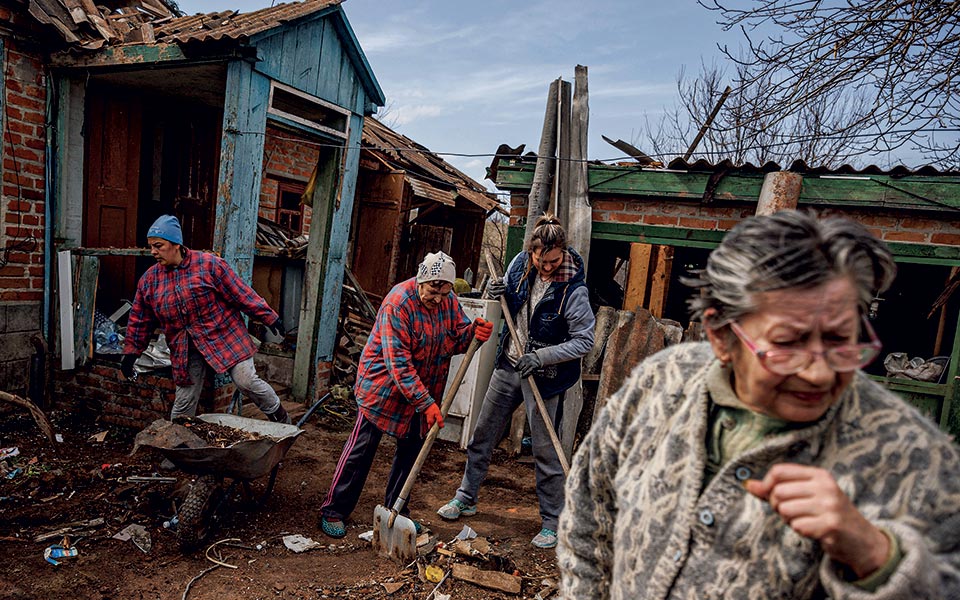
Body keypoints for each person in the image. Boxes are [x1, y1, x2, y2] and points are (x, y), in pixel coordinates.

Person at [557, 210, 960, 599]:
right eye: (787, 344)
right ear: (720, 335)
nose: (819, 374)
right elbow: (588, 514)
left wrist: (877, 557)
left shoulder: (912, 455)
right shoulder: (661, 382)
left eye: (840, 340)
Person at [437, 215, 596, 549]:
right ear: (531, 252)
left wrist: (542, 357)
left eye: (554, 261)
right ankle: (466, 497)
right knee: (483, 434)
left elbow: (584, 341)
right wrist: (497, 293)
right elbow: (512, 304)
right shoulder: (520, 265)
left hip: (546, 376)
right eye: (541, 260)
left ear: (563, 253)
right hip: (510, 363)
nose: (547, 267)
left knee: (545, 451)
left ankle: (552, 522)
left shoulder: (573, 289)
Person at [319, 251, 495, 538]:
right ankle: (334, 510)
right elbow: (398, 364)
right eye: (433, 291)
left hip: (423, 389)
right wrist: (426, 403)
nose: (438, 299)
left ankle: (397, 511)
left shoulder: (447, 300)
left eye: (444, 292)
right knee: (361, 450)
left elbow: (457, 337)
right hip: (383, 388)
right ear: (421, 281)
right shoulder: (398, 303)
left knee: (411, 453)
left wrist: (474, 333)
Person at [121, 215, 291, 424]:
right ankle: (179, 441)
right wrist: (131, 354)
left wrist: (270, 318)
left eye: (158, 246)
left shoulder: (209, 266)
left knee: (246, 381)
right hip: (187, 347)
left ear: (176, 244)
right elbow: (140, 320)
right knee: (183, 403)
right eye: (151, 247)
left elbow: (241, 294)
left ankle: (280, 418)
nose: (153, 252)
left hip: (225, 335)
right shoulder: (150, 280)